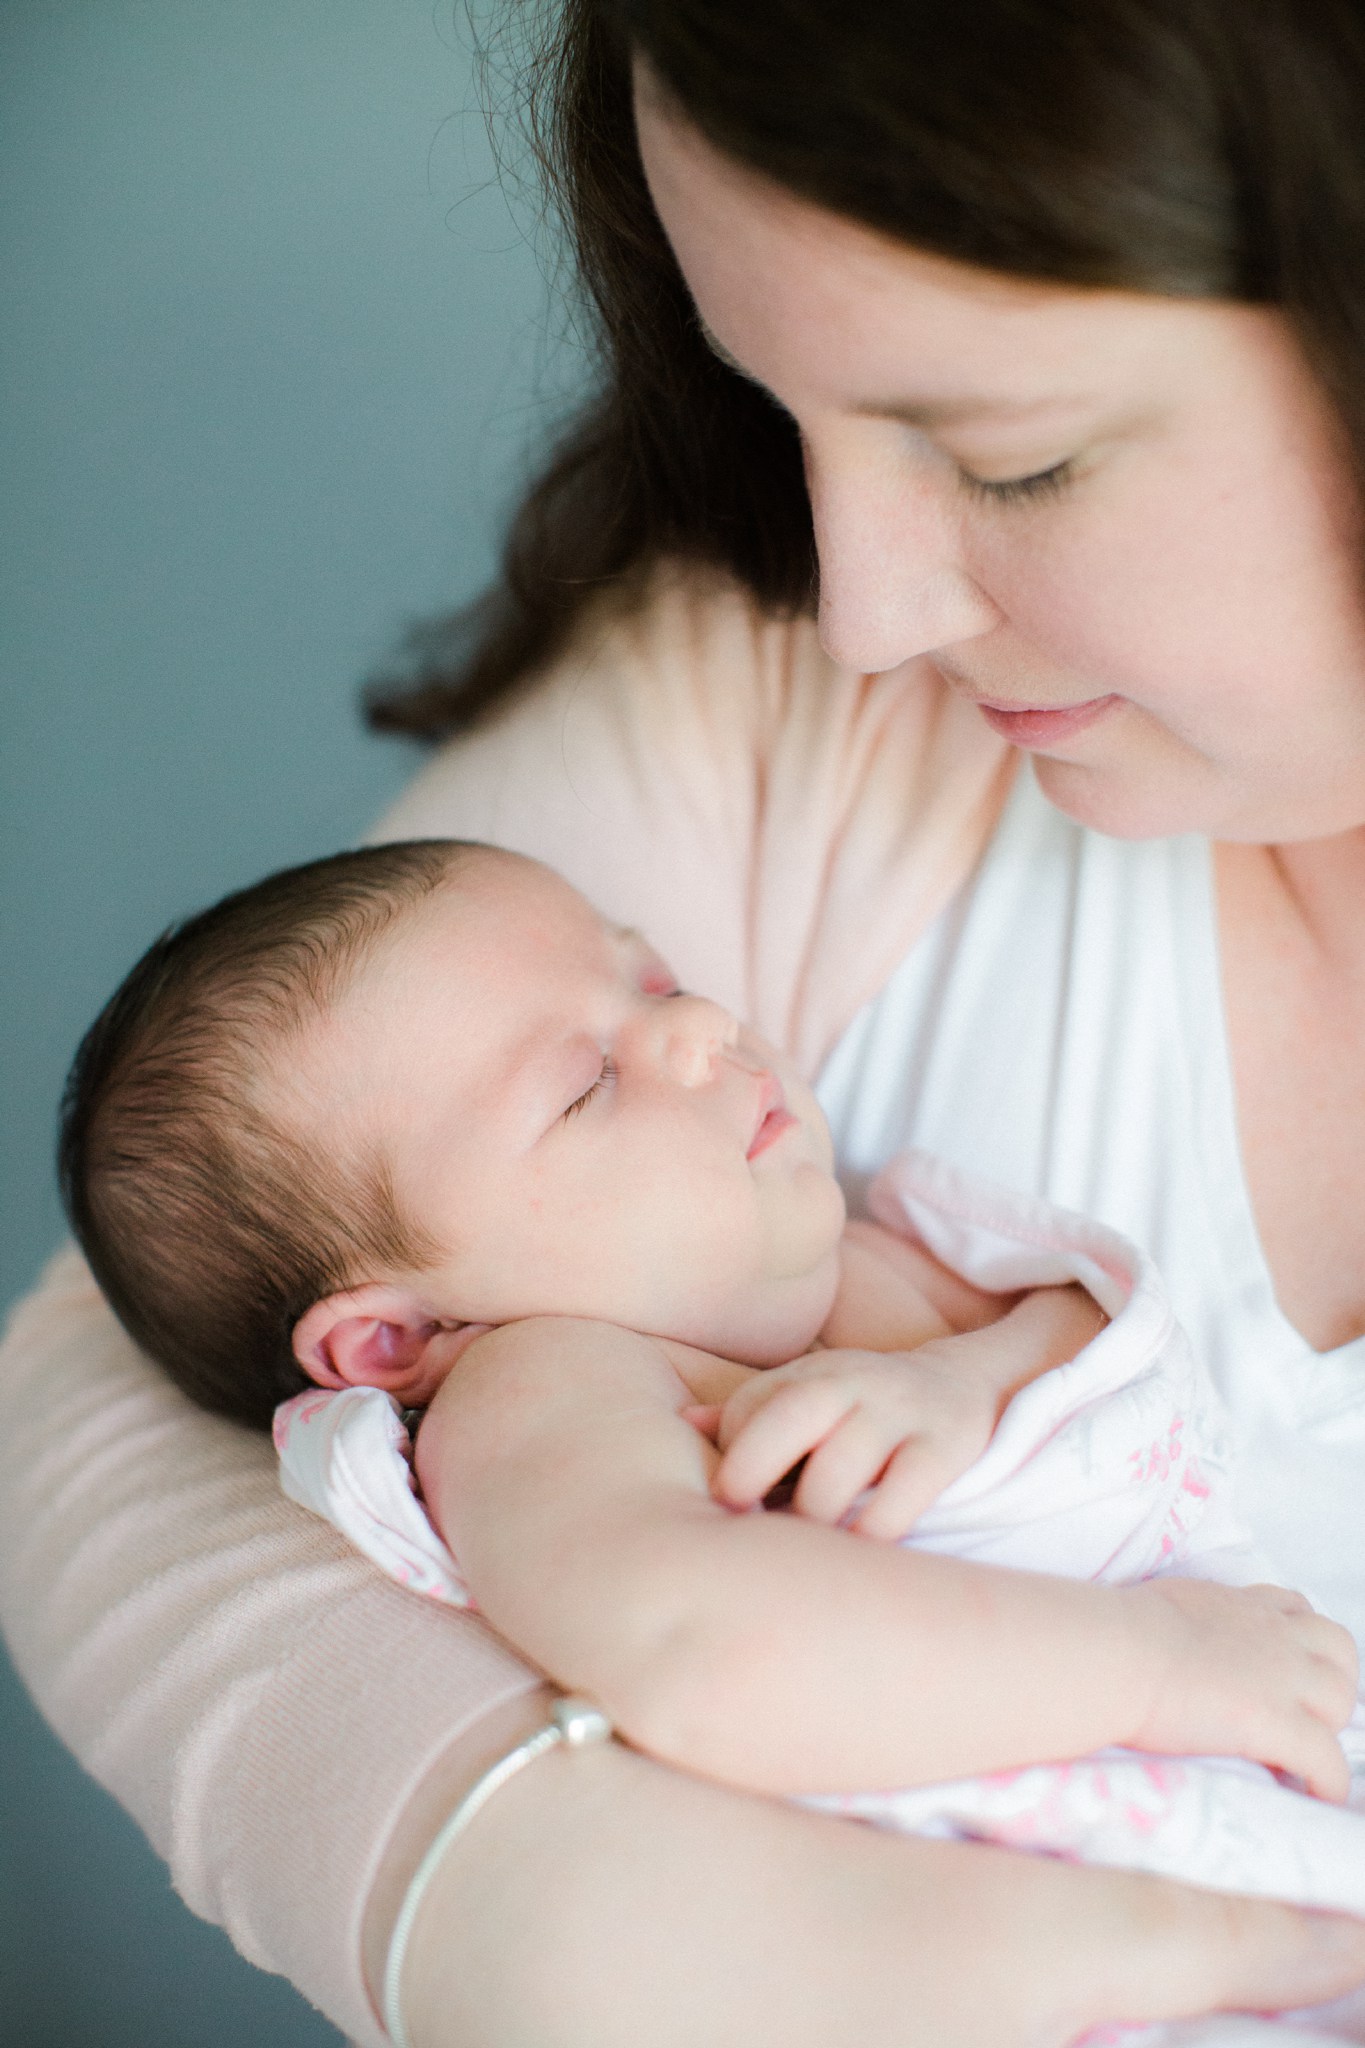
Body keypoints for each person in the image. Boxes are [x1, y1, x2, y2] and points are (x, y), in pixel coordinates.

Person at [9, 0, 1365, 2042]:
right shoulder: (778, 716)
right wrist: (568, 1928)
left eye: (1012, 453)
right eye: (785, 412)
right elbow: (123, 1377)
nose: (868, 610)